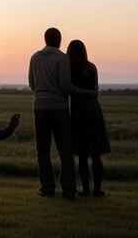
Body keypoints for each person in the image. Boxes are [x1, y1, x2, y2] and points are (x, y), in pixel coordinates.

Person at [28, 27, 97, 200]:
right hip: (59, 107)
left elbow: (32, 83)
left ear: (45, 40)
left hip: (39, 106)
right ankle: (68, 189)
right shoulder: (62, 58)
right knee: (65, 151)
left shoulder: (35, 57)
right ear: (59, 40)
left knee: (42, 151)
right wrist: (89, 93)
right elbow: (66, 86)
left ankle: (47, 188)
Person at [67, 40, 111, 198]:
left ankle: (86, 189)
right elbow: (95, 91)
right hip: (94, 110)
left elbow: (70, 89)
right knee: (95, 153)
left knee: (83, 153)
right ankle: (97, 189)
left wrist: (76, 92)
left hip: (79, 112)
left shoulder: (70, 68)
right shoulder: (91, 67)